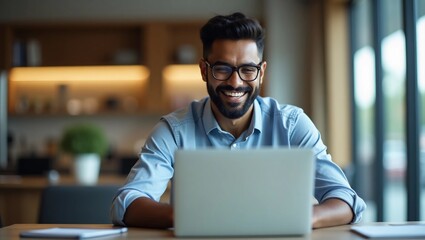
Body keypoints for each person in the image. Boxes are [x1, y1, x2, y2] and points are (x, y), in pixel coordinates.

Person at [111, 12, 366, 229]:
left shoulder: (292, 124)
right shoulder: (174, 130)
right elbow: (128, 202)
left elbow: (346, 200)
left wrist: (298, 218)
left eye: (247, 69)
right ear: (204, 70)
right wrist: (188, 217)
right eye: (222, 69)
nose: (235, 82)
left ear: (261, 72)